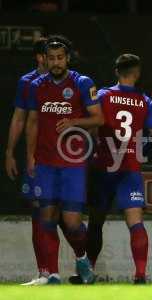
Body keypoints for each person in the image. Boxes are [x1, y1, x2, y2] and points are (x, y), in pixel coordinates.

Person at [25, 36, 104, 284]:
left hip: (72, 162)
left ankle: (81, 257)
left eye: (60, 58)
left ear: (67, 58)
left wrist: (73, 122)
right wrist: (30, 156)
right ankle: (52, 274)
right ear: (45, 59)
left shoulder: (82, 83)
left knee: (72, 222)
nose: (56, 62)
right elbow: (33, 122)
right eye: (51, 58)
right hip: (46, 162)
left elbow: (98, 119)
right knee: (46, 216)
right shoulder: (37, 86)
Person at [83, 54, 152, 284]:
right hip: (129, 167)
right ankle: (140, 275)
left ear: (116, 71)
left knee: (96, 222)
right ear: (137, 73)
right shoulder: (144, 100)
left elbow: (92, 126)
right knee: (135, 222)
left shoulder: (103, 96)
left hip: (103, 166)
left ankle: (88, 272)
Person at [5, 37, 50, 285]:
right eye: (48, 54)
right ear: (39, 57)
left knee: (67, 215)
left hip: (64, 159)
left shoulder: (71, 81)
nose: (53, 59)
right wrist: (10, 151)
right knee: (38, 210)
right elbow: (19, 119)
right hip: (36, 158)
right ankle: (44, 272)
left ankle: (82, 260)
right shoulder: (28, 82)